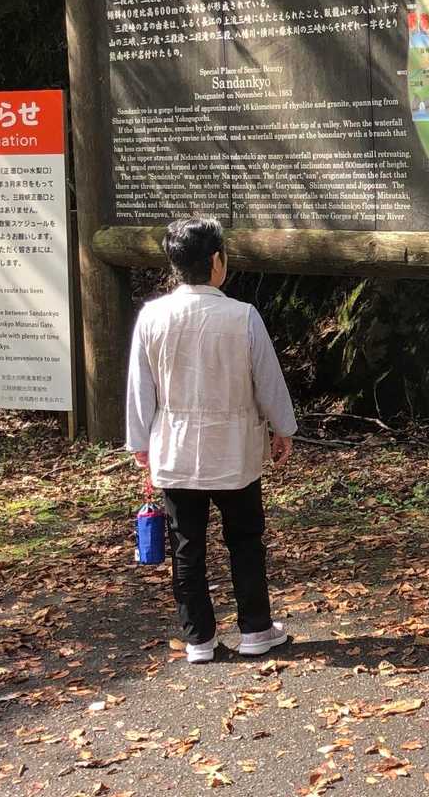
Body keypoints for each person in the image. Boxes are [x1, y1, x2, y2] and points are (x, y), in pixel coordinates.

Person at [126, 216, 296, 663]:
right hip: (234, 447)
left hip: (175, 445)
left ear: (175, 264)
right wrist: (283, 427)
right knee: (245, 538)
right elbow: (268, 380)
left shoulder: (152, 317)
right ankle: (255, 628)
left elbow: (140, 388)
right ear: (217, 260)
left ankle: (198, 637)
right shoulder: (242, 316)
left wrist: (140, 442)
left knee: (187, 546)